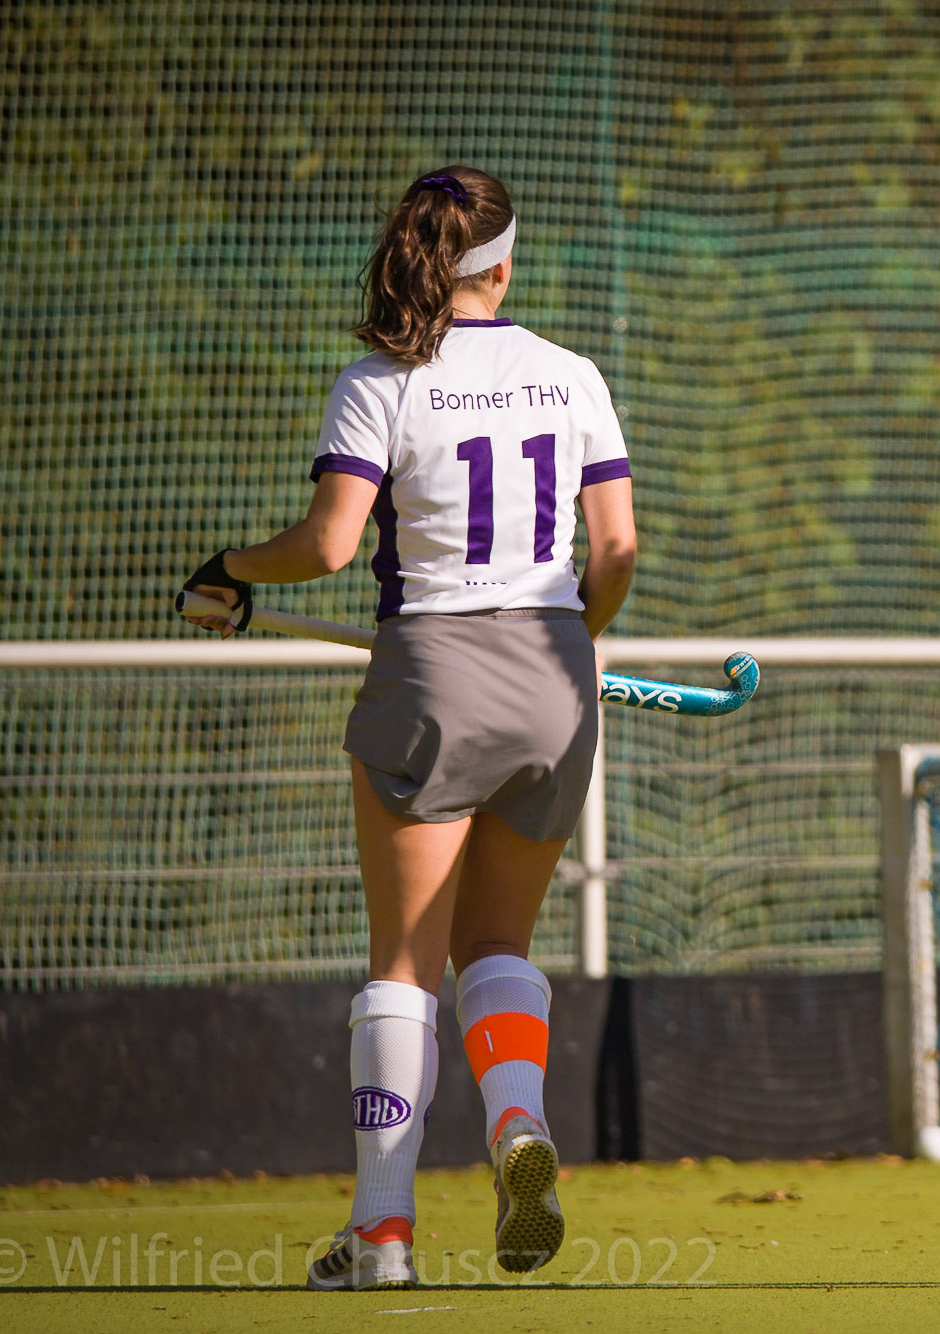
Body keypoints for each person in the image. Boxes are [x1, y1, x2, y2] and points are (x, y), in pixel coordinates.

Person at [181, 165, 637, 1291]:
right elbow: (617, 550)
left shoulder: (379, 380)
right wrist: (574, 639)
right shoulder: (573, 373)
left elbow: (329, 546)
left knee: (402, 966)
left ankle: (383, 1233)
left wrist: (229, 567)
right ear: (504, 266)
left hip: (431, 675)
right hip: (555, 680)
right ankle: (518, 1123)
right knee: (498, 946)